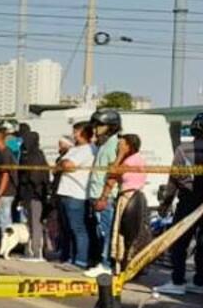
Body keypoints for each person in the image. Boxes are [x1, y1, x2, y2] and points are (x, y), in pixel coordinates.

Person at [157, 111, 203, 296]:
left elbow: (174, 178)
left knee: (180, 241)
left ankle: (178, 280)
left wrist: (166, 202)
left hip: (189, 200)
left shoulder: (183, 149)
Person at [85, 108, 122, 276]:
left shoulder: (114, 145)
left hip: (105, 197)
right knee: (99, 232)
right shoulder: (103, 144)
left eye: (100, 125)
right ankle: (101, 262)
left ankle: (106, 265)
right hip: (96, 195)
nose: (96, 129)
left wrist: (104, 197)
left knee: (106, 232)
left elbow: (113, 174)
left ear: (111, 126)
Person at [55, 124, 95, 269]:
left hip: (77, 194)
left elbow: (68, 165)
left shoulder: (88, 150)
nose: (74, 134)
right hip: (65, 192)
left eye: (76, 131)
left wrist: (63, 164)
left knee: (78, 228)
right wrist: (62, 163)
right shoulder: (74, 149)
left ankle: (81, 260)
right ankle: (71, 257)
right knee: (68, 228)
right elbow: (59, 164)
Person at [111, 134, 149, 274]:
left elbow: (113, 172)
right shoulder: (136, 159)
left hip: (129, 197)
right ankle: (123, 265)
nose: (118, 147)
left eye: (121, 144)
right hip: (131, 195)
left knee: (125, 233)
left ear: (129, 146)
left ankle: (125, 264)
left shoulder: (132, 160)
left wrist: (120, 155)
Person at [15, 130, 49, 261]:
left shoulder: (36, 156)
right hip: (27, 195)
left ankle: (37, 252)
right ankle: (29, 251)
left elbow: (37, 177)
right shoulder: (27, 155)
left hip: (35, 194)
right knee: (29, 223)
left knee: (35, 224)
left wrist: (27, 182)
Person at [0, 126, 18, 252]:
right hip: (5, 192)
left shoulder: (5, 154)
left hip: (5, 193)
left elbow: (5, 175)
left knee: (4, 222)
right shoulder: (3, 153)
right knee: (2, 220)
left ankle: (6, 248)